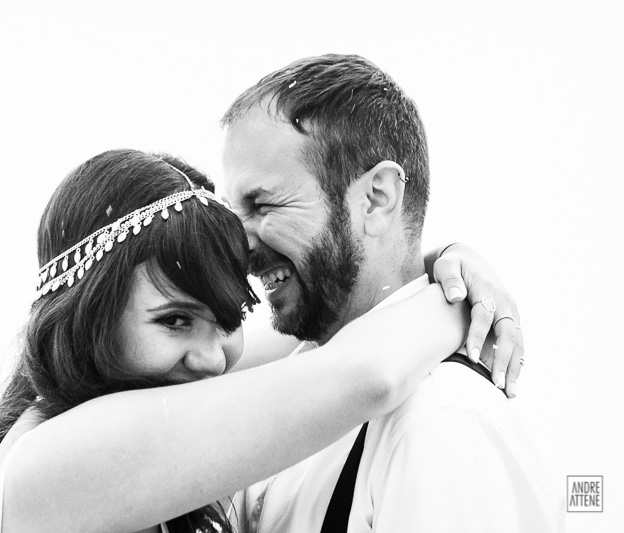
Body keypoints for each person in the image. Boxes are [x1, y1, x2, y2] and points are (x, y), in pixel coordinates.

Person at [0, 149, 518, 533]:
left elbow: (336, 328)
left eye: (226, 319)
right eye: (174, 320)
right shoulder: (49, 462)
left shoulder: (168, 382)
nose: (212, 357)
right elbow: (366, 372)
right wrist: (462, 299)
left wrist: (437, 262)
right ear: (87, 316)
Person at [220, 54, 561, 532]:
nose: (240, 244)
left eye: (261, 204)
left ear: (377, 199)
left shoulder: (441, 423)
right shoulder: (286, 389)